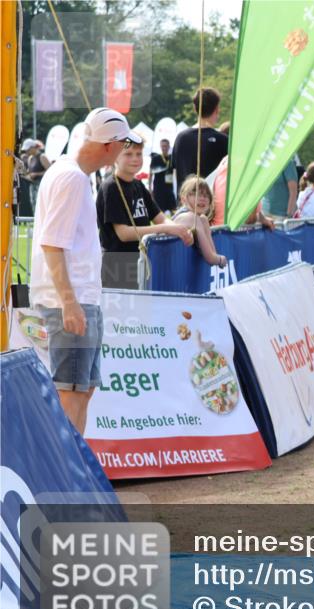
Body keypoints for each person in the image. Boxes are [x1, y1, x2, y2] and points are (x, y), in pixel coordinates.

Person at [29, 108, 141, 434]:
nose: (124, 151)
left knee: (82, 389)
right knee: (72, 392)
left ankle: (74, 470)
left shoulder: (70, 173)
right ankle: (66, 475)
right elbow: (52, 244)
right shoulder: (72, 178)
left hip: (79, 297)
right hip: (72, 298)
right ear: (110, 146)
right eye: (123, 144)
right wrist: (69, 302)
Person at [96, 139, 194, 288]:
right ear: (115, 156)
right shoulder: (111, 187)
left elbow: (160, 218)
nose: (135, 159)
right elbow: (124, 233)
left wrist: (181, 230)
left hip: (140, 261)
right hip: (117, 265)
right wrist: (166, 229)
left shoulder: (138, 185)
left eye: (138, 154)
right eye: (128, 154)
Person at [172, 87, 228, 187]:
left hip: (185, 200)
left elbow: (175, 173)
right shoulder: (223, 140)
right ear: (217, 109)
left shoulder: (180, 138)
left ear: (195, 108)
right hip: (211, 200)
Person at [208, 156, 274, 230]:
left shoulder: (227, 160)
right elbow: (249, 220)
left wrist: (262, 218)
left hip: (215, 232)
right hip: (230, 234)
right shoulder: (248, 165)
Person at [174, 176, 227, 267]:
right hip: (172, 265)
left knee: (203, 218)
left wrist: (216, 257)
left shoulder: (202, 219)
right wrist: (221, 259)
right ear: (183, 199)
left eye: (206, 196)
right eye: (197, 194)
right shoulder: (191, 217)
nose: (202, 198)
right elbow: (211, 258)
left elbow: (213, 252)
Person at [147, 138, 177, 213]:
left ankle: (173, 223)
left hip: (169, 187)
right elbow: (150, 174)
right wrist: (150, 188)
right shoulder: (155, 158)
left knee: (172, 207)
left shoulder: (172, 158)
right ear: (160, 146)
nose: (164, 148)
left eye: (166, 146)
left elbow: (176, 171)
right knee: (159, 209)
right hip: (158, 187)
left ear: (169, 147)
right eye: (162, 146)